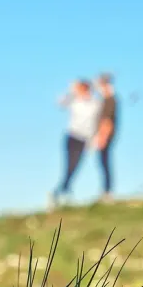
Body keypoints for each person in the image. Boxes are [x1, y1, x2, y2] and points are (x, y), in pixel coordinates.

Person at [49, 79, 102, 208]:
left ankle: (61, 191)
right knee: (69, 166)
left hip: (85, 140)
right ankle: (63, 191)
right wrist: (72, 91)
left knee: (75, 167)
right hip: (72, 137)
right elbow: (60, 102)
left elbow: (97, 122)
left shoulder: (95, 103)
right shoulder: (74, 100)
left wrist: (93, 140)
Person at [94, 72, 118, 203]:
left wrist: (102, 137)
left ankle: (107, 192)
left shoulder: (109, 100)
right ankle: (106, 190)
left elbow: (107, 121)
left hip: (106, 137)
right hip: (105, 136)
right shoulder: (106, 99)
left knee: (105, 163)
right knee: (103, 163)